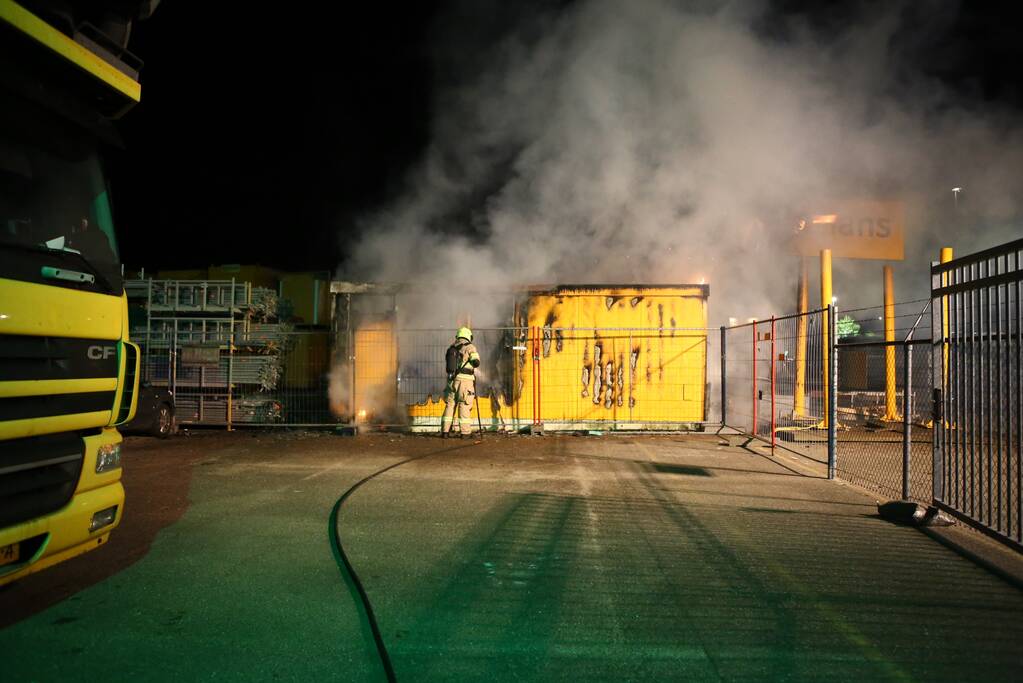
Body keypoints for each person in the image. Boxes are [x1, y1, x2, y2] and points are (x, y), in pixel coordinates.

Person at [441, 327, 480, 437]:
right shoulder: (470, 347)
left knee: (450, 405)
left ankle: (445, 431)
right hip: (465, 381)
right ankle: (465, 432)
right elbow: (476, 362)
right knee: (464, 404)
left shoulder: (452, 347)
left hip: (451, 381)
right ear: (468, 336)